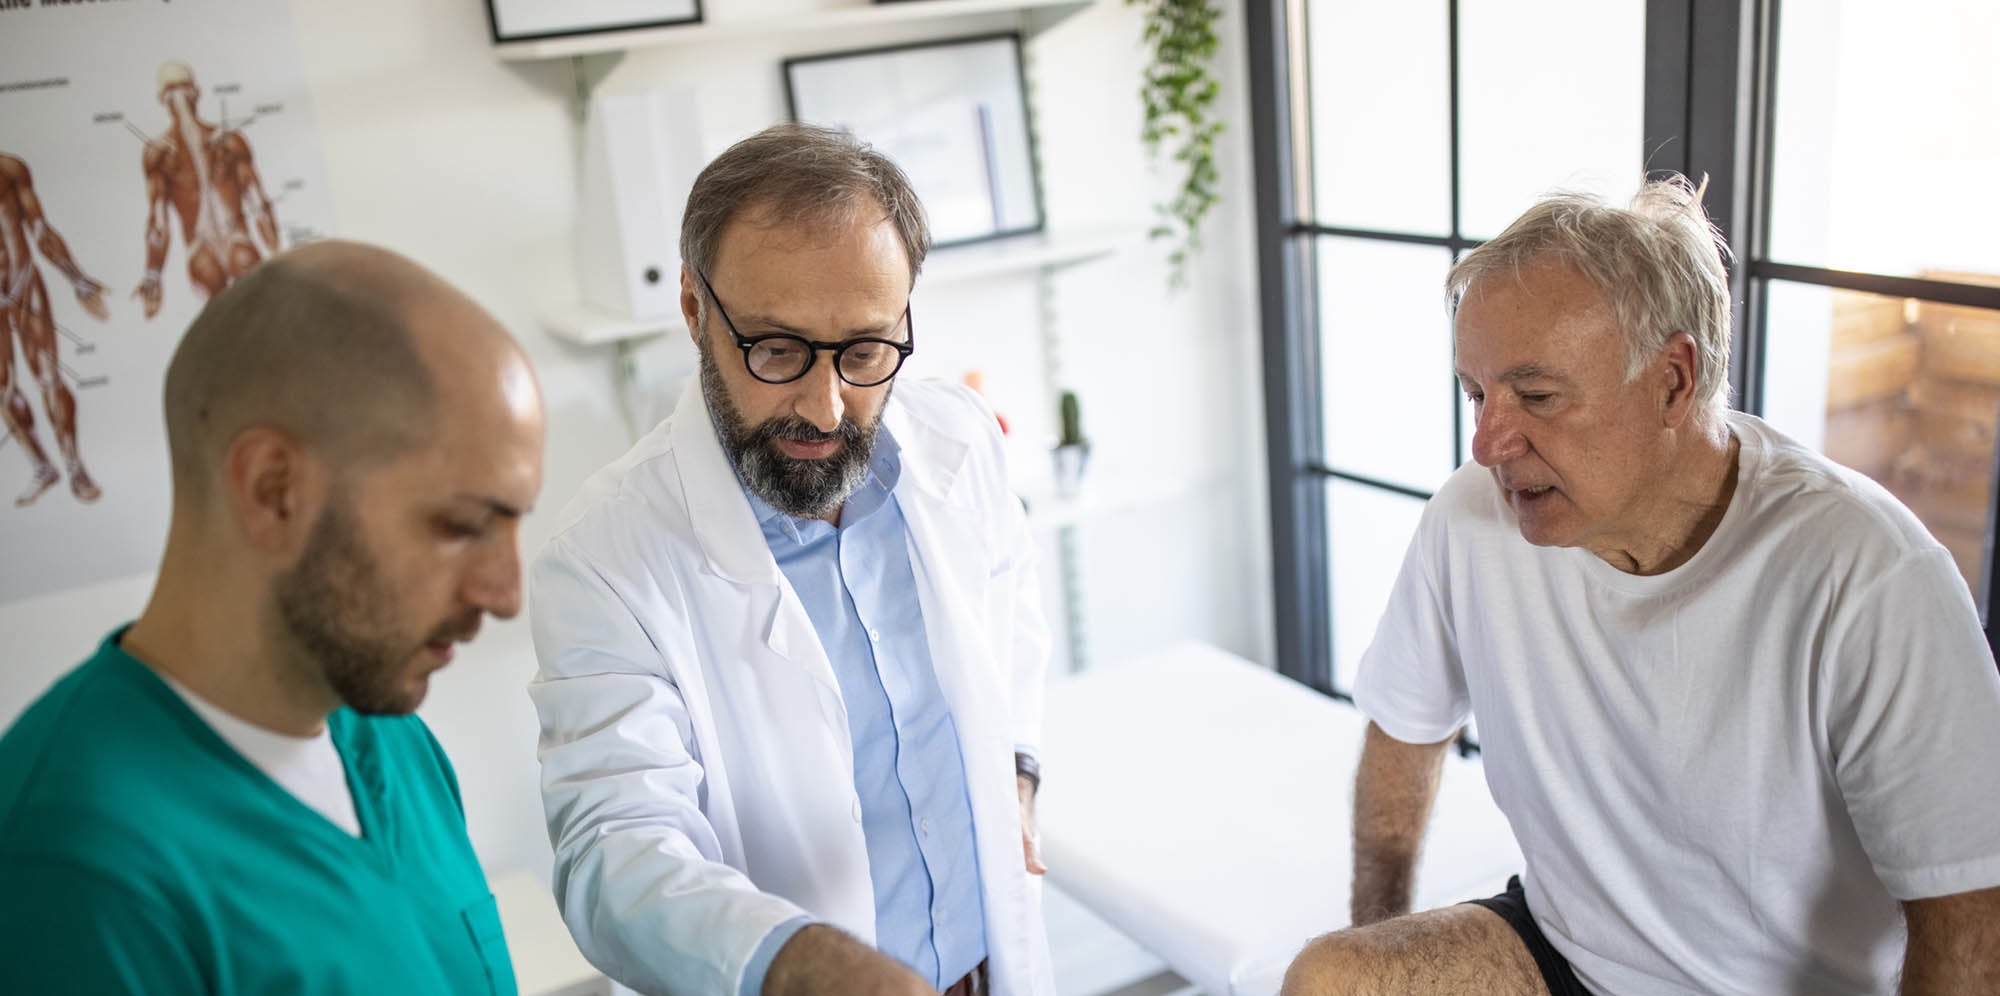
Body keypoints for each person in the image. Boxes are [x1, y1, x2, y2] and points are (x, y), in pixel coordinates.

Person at [1283, 177, 2000, 996]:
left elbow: (1972, 920)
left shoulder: (1869, 577)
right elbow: (1402, 737)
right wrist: (1379, 928)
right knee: (1334, 978)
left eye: (1537, 396)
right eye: (1477, 394)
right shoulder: (1471, 519)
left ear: (1672, 380)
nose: (1487, 442)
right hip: (1563, 951)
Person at [529, 123, 1055, 996]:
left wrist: (1019, 771)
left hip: (990, 962)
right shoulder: (602, 562)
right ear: (696, 311)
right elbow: (612, 848)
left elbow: (1014, 617)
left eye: (864, 351)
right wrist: (797, 965)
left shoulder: (957, 440)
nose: (824, 404)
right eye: (775, 350)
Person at [0, 240, 546, 994]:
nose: (506, 593)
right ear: (273, 491)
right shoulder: (75, 866)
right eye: (459, 526)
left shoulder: (394, 743)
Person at [0, 151, 109, 505]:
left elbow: (39, 227)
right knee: (2, 387)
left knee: (48, 376)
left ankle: (75, 465)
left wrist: (75, 277)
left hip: (23, 282)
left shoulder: (10, 168)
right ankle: (42, 465)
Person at [135, 60, 282, 319]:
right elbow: (158, 219)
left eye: (183, 89)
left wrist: (279, 253)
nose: (179, 98)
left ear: (196, 92)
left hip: (236, 240)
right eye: (172, 92)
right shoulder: (158, 155)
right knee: (214, 281)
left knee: (245, 267)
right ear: (163, 99)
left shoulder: (229, 142)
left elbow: (257, 200)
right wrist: (152, 276)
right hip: (201, 248)